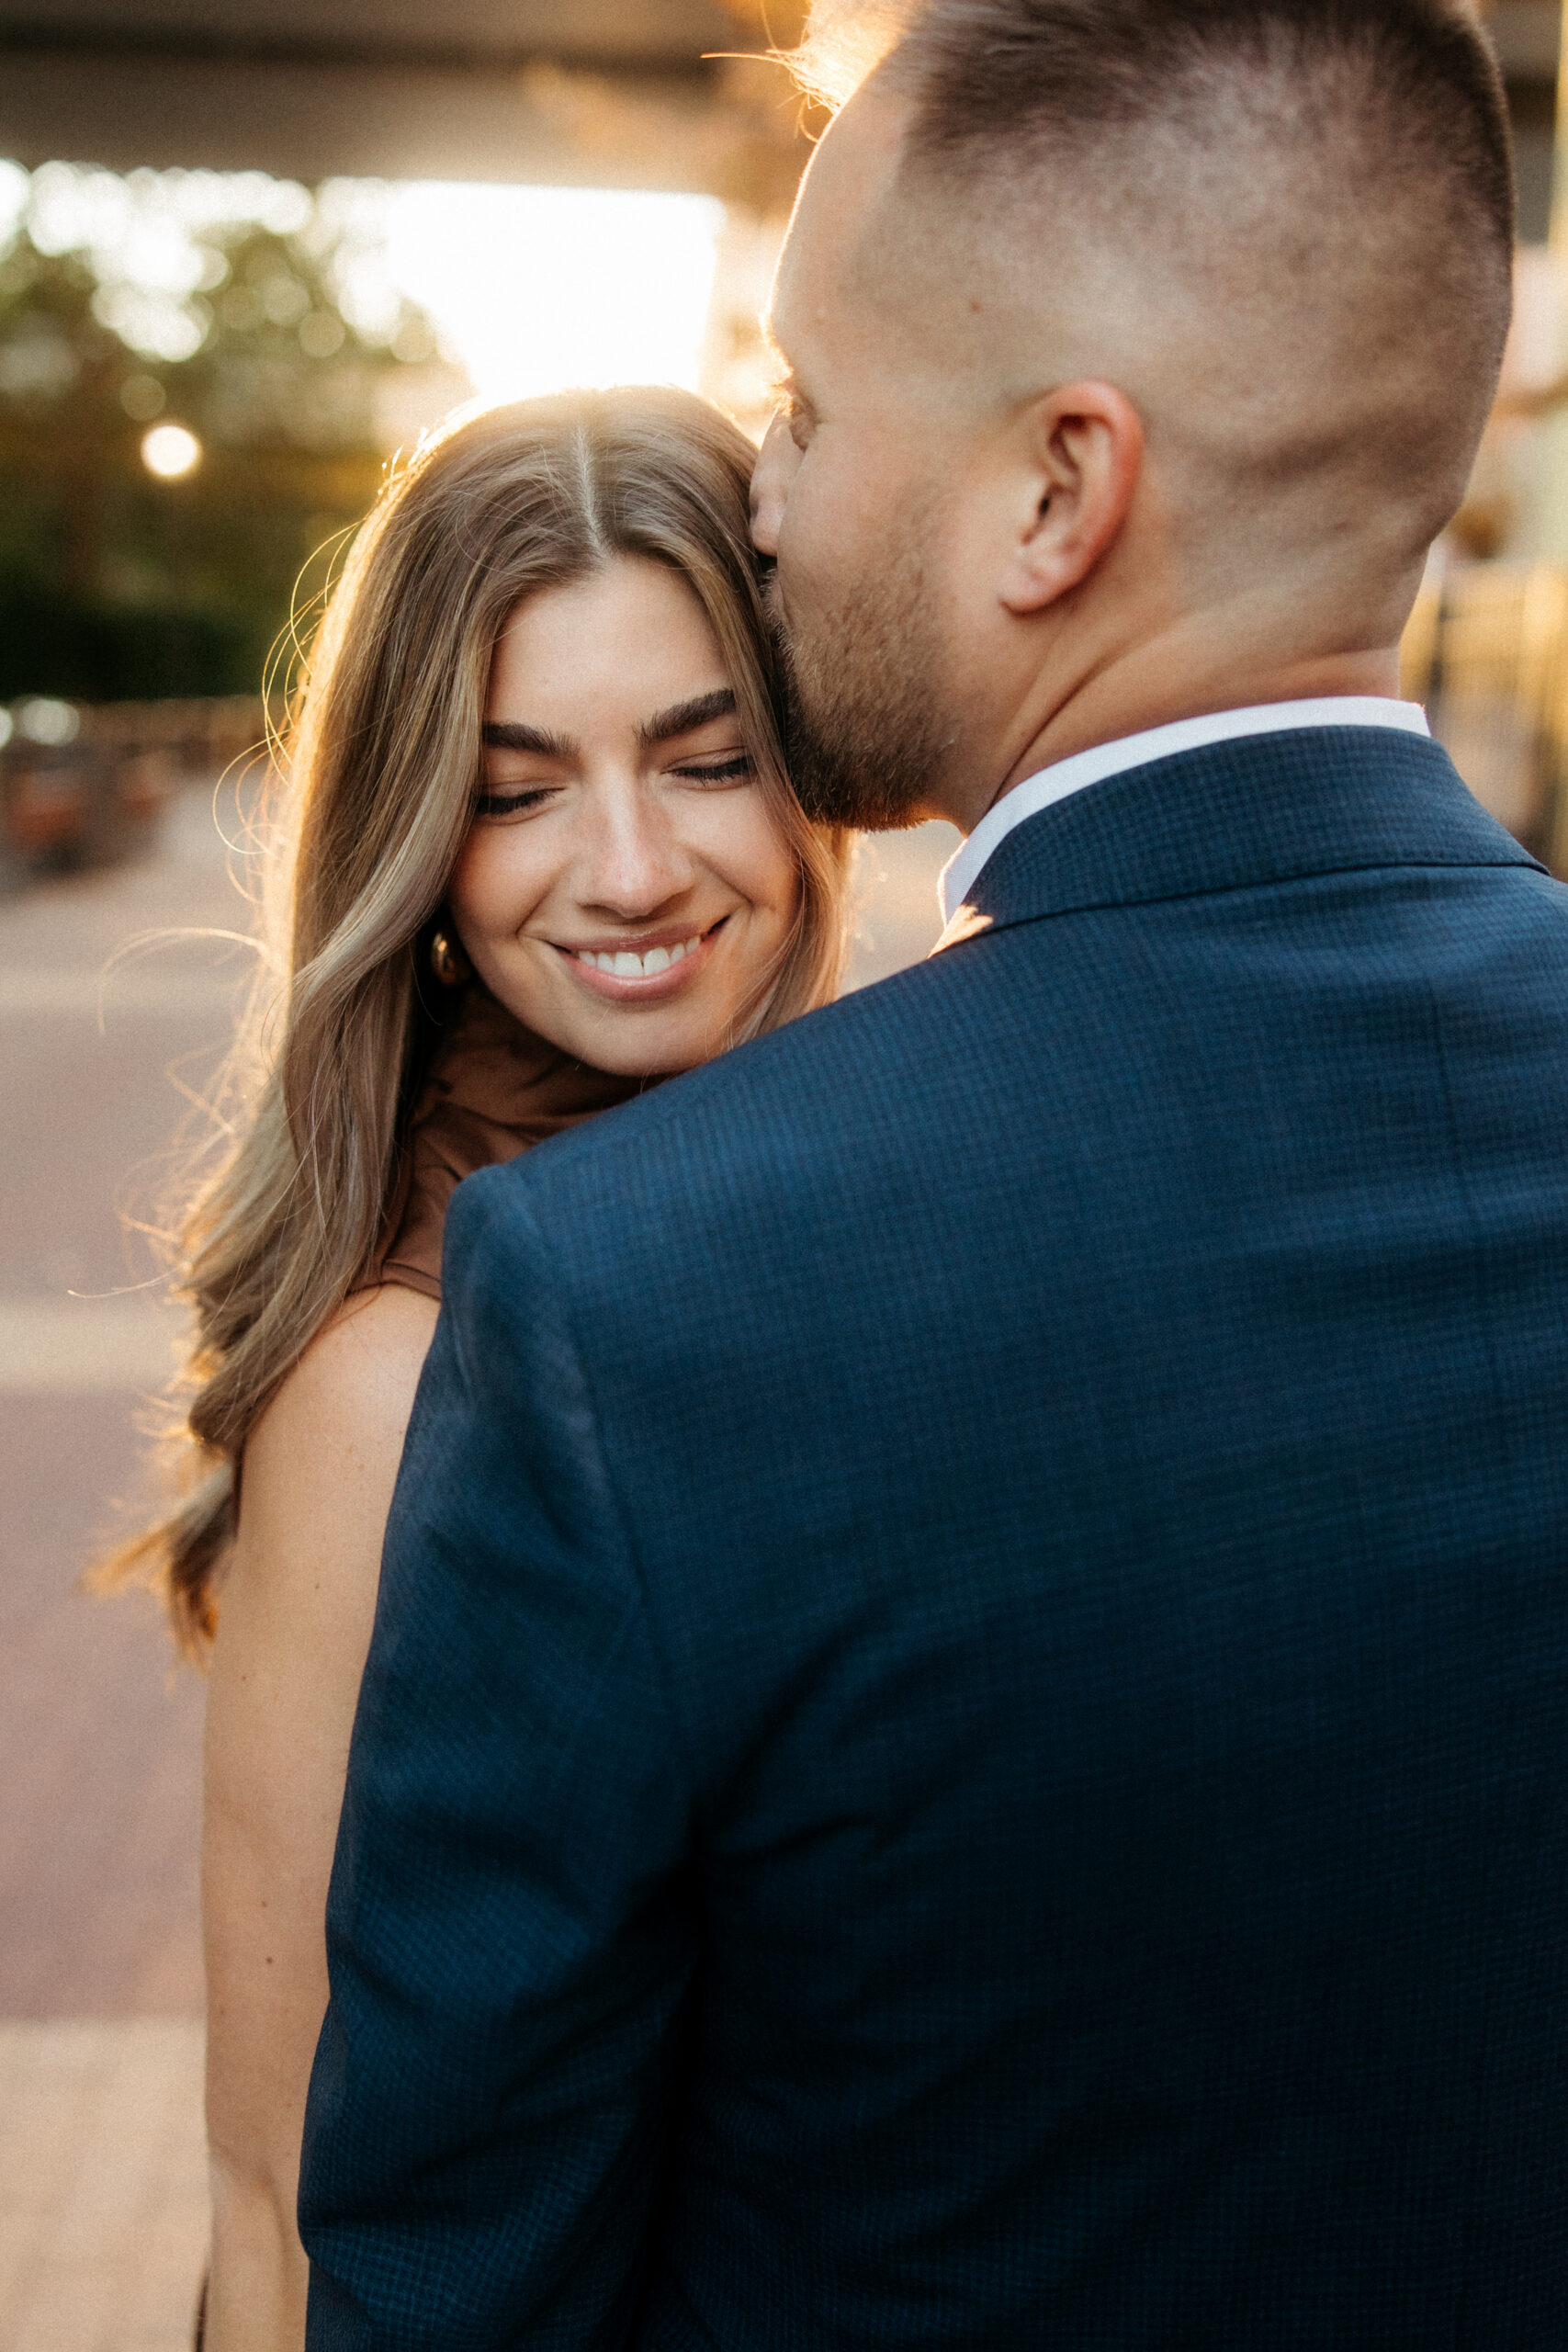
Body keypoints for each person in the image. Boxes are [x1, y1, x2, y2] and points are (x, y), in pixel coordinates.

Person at [301, 3, 1568, 2344]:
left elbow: (452, 2283)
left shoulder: (636, 1295)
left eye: (804, 406)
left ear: (1055, 491)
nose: (766, 497)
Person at [103, 386, 850, 2349]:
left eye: (707, 760)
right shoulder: (400, 1369)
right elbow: (281, 2187)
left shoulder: (873, 1171)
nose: (628, 868)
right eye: (517, 793)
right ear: (416, 836)